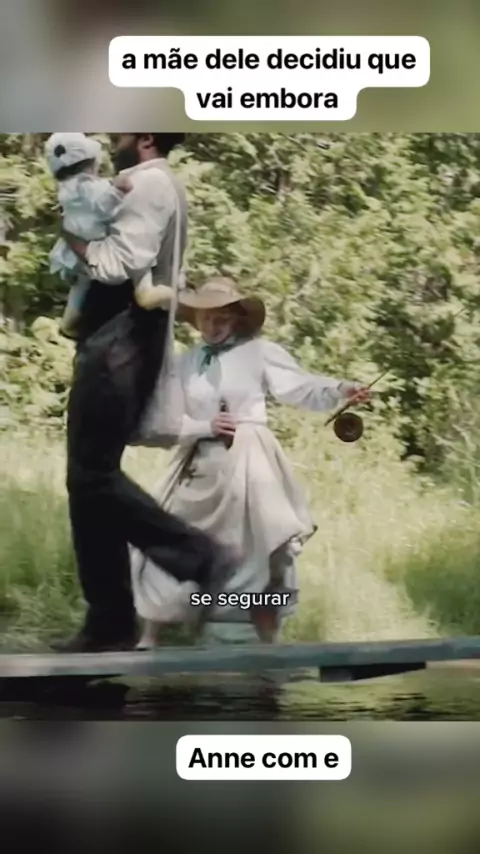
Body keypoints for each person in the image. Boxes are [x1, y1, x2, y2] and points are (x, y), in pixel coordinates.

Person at [53, 134, 237, 654]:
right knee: (87, 478)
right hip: (114, 339)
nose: (112, 135)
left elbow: (115, 263)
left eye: (123, 129)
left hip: (123, 341)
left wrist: (68, 232)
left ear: (147, 138)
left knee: (92, 475)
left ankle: (199, 557)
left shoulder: (152, 184)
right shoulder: (140, 183)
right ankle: (109, 622)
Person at [131, 277, 371, 648]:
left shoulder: (259, 352)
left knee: (266, 546)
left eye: (222, 318)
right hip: (199, 458)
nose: (214, 325)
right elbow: (167, 418)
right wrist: (204, 426)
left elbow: (299, 386)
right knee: (167, 535)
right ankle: (152, 632)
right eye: (207, 317)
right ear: (197, 319)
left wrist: (340, 389)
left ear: (237, 318)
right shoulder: (186, 361)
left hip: (250, 460)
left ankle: (268, 639)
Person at [45, 132, 171, 340]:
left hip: (77, 246)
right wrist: (119, 190)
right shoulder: (89, 187)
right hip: (96, 242)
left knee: (81, 287)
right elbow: (104, 206)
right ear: (90, 163)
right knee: (139, 258)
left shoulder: (67, 189)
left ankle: (70, 320)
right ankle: (145, 290)